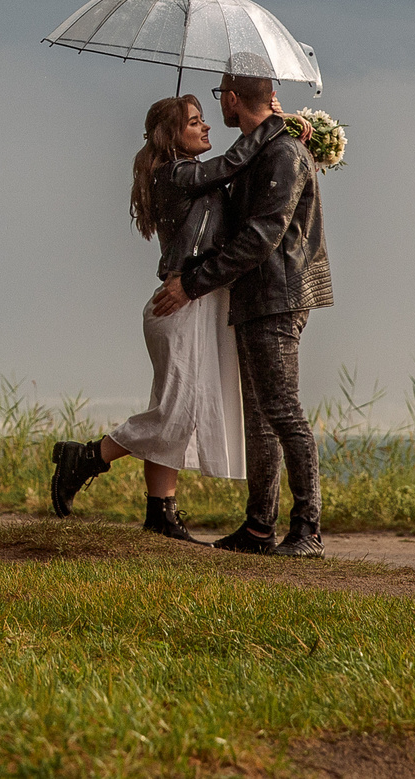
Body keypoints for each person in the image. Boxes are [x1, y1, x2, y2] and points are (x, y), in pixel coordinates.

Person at [48, 94, 257, 537]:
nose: (206, 128)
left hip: (196, 303)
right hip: (178, 307)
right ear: (172, 136)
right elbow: (227, 166)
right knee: (175, 413)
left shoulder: (187, 176)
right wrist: (272, 129)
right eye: (195, 123)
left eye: (204, 121)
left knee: (175, 408)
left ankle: (160, 512)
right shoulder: (175, 174)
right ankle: (86, 457)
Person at [175, 63, 334, 557]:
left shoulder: (284, 152)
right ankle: (259, 529)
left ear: (232, 99)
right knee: (262, 416)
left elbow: (263, 235)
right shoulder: (265, 149)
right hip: (255, 297)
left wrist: (195, 282)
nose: (218, 101)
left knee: (284, 411)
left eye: (220, 93)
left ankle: (308, 531)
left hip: (277, 297)